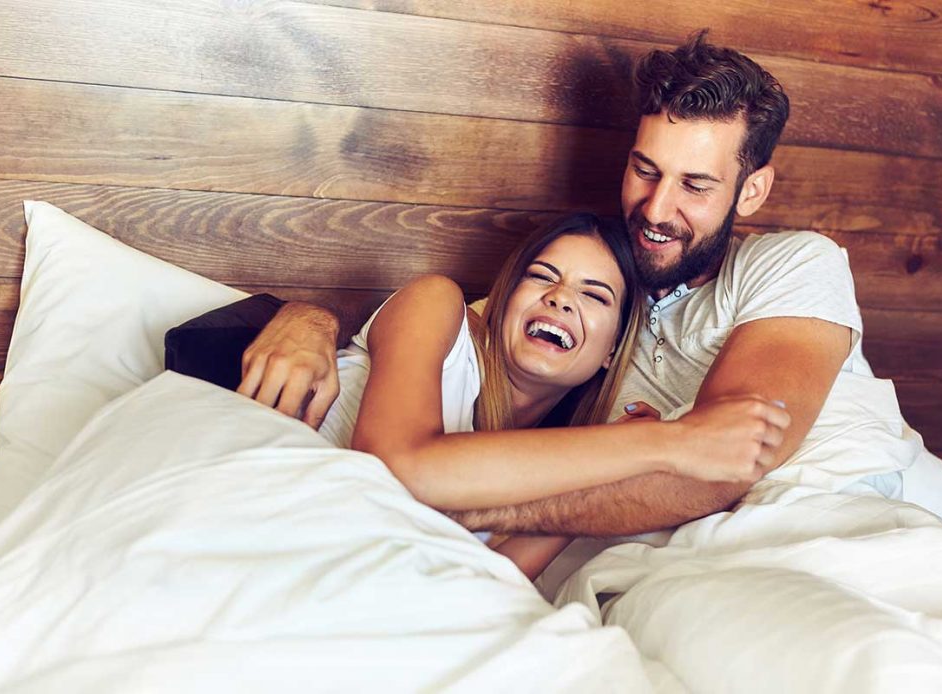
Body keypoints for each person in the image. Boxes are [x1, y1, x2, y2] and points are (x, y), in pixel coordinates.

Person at [238, 30, 931, 543]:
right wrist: (309, 315)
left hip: (839, 519)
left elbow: (727, 460)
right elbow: (446, 331)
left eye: (695, 185)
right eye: (645, 170)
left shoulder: (794, 264)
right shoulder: (600, 292)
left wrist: (464, 513)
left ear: (751, 191)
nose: (657, 209)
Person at [248, 212, 789, 578]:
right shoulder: (438, 307)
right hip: (260, 519)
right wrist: (669, 442)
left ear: (611, 351)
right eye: (542, 276)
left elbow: (487, 582)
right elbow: (399, 468)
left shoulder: (548, 461)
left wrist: (607, 478)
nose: (560, 298)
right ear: (504, 300)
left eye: (594, 295)